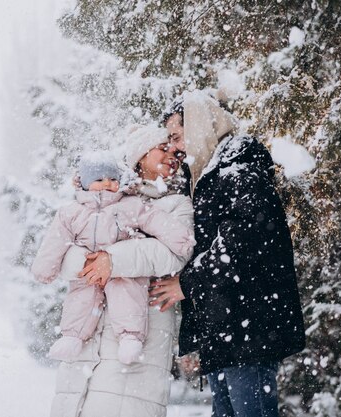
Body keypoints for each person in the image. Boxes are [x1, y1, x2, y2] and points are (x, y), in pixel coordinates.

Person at [149, 90, 306, 417]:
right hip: (227, 331)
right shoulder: (208, 175)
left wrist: (186, 284)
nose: (175, 147)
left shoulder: (238, 169)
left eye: (177, 136)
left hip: (247, 328)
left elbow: (237, 243)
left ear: (199, 125)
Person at [49, 125, 195, 417]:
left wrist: (110, 260)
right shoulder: (95, 197)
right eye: (162, 149)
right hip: (88, 331)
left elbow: (173, 254)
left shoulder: (177, 204)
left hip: (141, 329)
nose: (172, 157)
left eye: (177, 153)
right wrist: (89, 263)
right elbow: (59, 256)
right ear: (140, 155)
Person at [31, 151, 194, 365]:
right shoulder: (72, 212)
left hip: (122, 270)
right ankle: (72, 336)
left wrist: (180, 239)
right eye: (99, 180)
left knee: (128, 294)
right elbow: (56, 240)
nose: (107, 183)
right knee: (80, 297)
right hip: (87, 272)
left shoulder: (129, 205)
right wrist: (45, 268)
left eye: (113, 179)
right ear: (86, 183)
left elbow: (154, 219)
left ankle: (130, 336)